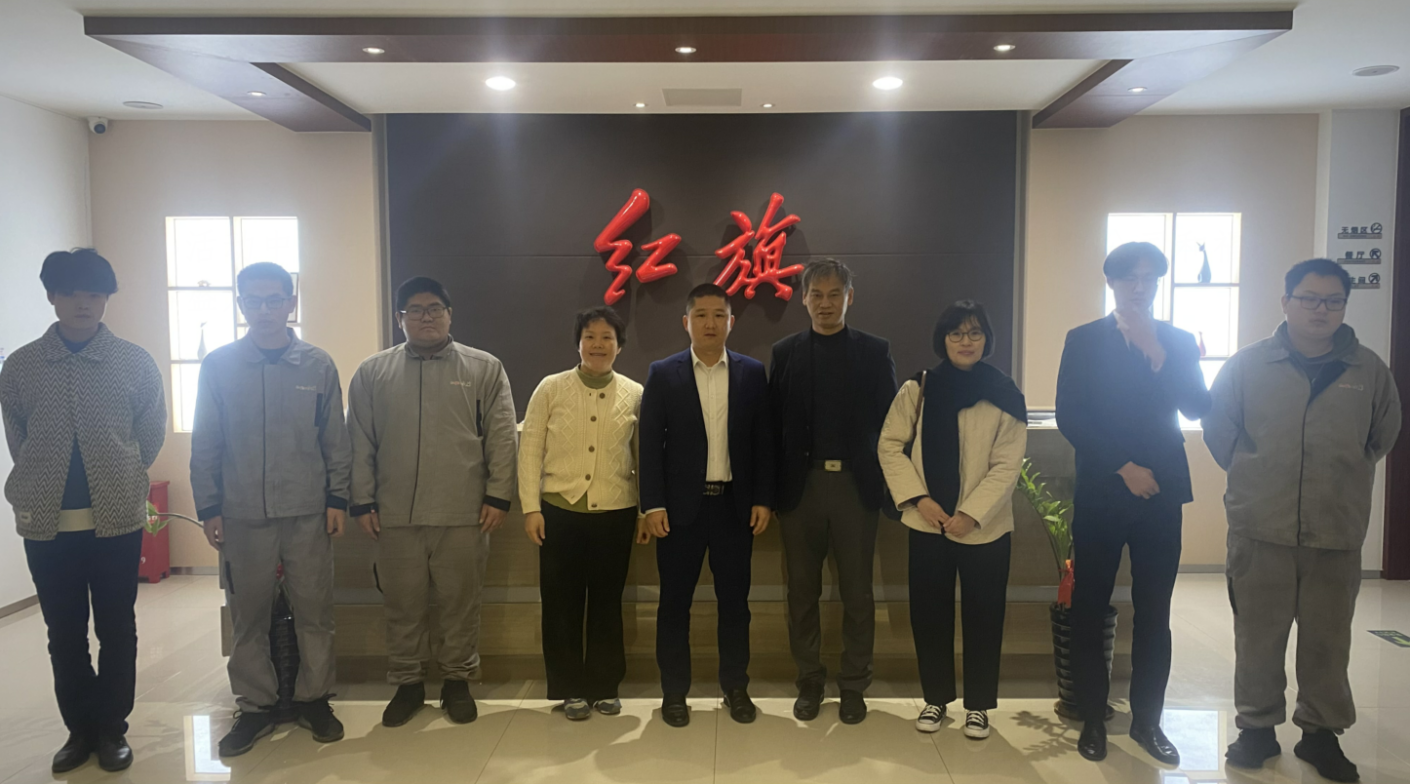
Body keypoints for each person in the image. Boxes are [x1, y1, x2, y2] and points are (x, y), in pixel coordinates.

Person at [1205, 259, 1401, 783]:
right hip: (1260, 527)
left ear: (1344, 306)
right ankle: (1257, 728)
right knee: (1257, 637)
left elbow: (1381, 436)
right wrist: (1260, 477)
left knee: (1328, 641)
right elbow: (1221, 433)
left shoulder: (1368, 370)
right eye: (1310, 298)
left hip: (1335, 529)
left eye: (1333, 301)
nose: (1321, 310)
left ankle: (1320, 734)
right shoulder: (1247, 367)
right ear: (1286, 302)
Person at [1, 249, 166, 774]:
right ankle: (79, 730)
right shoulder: (21, 365)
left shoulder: (134, 361)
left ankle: (112, 728)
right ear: (52, 296)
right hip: (46, 525)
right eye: (72, 292)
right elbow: (17, 437)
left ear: (106, 299)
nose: (83, 303)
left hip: (117, 520)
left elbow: (150, 431)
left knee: (117, 628)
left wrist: (124, 472)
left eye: (95, 293)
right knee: (64, 633)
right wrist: (41, 478)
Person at [1055, 241, 1211, 765]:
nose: (1140, 287)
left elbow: (1197, 405)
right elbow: (1071, 415)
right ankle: (1092, 719)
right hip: (1103, 491)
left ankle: (1148, 721)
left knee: (1155, 611)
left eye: (1149, 278)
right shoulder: (1083, 339)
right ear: (1112, 282)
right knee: (1089, 606)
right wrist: (1123, 467)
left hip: (1162, 494)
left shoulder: (1177, 341)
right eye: (1130, 277)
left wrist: (1157, 352)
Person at [189, 262, 351, 756]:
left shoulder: (317, 365)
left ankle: (314, 699)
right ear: (241, 304)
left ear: (290, 303)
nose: (264, 309)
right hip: (242, 516)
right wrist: (209, 506)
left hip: (307, 513)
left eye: (274, 299)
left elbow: (335, 440)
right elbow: (206, 441)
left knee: (315, 613)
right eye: (254, 300)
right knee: (248, 617)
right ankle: (255, 707)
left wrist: (337, 499)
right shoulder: (219, 366)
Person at [347, 276, 517, 728]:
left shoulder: (484, 368)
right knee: (402, 605)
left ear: (449, 314)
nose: (426, 317)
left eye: (435, 308)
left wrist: (499, 495)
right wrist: (362, 501)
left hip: (463, 513)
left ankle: (458, 681)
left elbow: (502, 436)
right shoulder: (372, 373)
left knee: (460, 604)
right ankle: (408, 684)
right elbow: (359, 441)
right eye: (416, 310)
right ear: (399, 318)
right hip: (394, 515)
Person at [878, 301, 1026, 739]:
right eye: (956, 333)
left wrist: (970, 514)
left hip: (985, 528)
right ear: (942, 339)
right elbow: (890, 444)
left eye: (975, 333)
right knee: (929, 615)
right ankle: (936, 699)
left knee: (985, 615)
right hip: (927, 522)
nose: (966, 341)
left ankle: (978, 706)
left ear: (987, 339)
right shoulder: (918, 388)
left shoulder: (1004, 392)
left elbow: (1007, 463)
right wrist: (919, 500)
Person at [639, 283, 774, 728]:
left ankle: (735, 688)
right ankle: (674, 693)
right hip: (680, 512)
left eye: (719, 315)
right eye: (701, 315)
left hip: (735, 507)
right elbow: (649, 445)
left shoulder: (752, 373)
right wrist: (652, 505)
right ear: (686, 322)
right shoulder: (664, 373)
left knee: (735, 604)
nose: (710, 323)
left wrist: (763, 498)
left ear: (731, 322)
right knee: (674, 604)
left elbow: (762, 442)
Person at [768, 259, 896, 724]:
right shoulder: (785, 353)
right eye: (816, 295)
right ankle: (810, 681)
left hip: (855, 489)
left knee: (857, 592)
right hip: (800, 489)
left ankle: (854, 685)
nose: (825, 303)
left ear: (849, 298)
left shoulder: (874, 352)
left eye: (834, 294)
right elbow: (772, 427)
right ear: (803, 299)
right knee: (801, 591)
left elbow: (892, 425)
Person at [518, 306, 651, 722]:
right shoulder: (550, 388)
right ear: (578, 343)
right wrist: (531, 507)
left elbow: (643, 457)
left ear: (619, 345)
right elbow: (530, 450)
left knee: (607, 603)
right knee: (561, 604)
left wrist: (644, 512)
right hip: (560, 513)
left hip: (616, 513)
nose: (598, 344)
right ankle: (569, 688)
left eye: (607, 337)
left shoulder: (635, 393)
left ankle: (605, 686)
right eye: (590, 336)